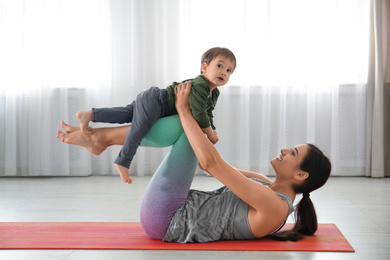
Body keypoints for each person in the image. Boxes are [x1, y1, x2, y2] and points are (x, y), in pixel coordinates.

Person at [56, 81, 331, 242]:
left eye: (292, 153)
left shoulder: (275, 207)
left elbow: (212, 165)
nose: (284, 150)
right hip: (171, 210)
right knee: (184, 127)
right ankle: (102, 139)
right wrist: (195, 120)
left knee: (186, 126)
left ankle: (103, 139)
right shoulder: (263, 184)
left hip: (167, 220)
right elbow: (206, 163)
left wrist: (187, 110)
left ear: (301, 176)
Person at [75, 47, 236, 183]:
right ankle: (123, 161)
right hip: (156, 102)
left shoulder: (213, 93)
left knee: (125, 114)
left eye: (229, 70)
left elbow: (208, 113)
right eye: (220, 66)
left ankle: (90, 115)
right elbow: (199, 113)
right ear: (204, 67)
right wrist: (209, 132)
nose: (224, 72)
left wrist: (212, 130)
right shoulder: (201, 85)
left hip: (153, 101)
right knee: (139, 130)